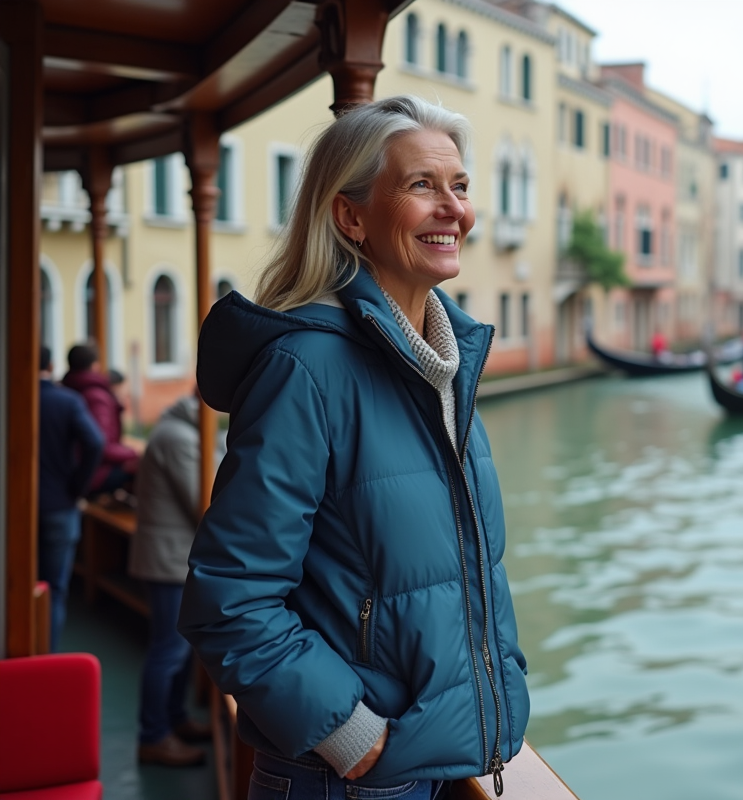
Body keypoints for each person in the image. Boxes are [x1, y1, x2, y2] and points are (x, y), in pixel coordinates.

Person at [179, 96, 529, 797]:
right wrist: (353, 736)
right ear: (350, 217)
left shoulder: (445, 367)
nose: (452, 208)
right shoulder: (304, 372)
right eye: (421, 185)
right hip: (347, 781)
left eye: (459, 186)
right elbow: (231, 601)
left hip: (431, 765)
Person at [129, 391, 218, 768]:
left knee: (177, 651)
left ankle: (175, 721)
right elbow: (205, 500)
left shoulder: (176, 430)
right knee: (168, 651)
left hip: (172, 558)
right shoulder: (180, 439)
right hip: (169, 562)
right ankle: (153, 736)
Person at [37, 346, 104, 652]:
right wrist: (78, 487)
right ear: (50, 364)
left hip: (15, 511)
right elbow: (95, 442)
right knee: (54, 590)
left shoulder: (12, 397)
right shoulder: (66, 402)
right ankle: (44, 659)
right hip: (59, 505)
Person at [61, 343, 139, 498]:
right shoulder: (97, 396)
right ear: (95, 366)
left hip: (71, 472)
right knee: (139, 469)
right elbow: (101, 444)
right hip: (92, 475)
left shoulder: (68, 389)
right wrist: (133, 454)